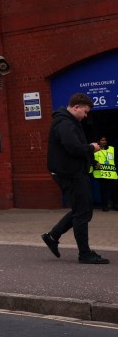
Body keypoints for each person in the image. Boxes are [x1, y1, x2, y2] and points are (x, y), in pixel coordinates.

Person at [42, 93, 109, 264]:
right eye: (85, 112)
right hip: (70, 174)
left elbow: (74, 149)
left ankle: (52, 236)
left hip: (74, 172)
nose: (86, 116)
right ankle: (84, 253)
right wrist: (91, 148)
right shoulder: (65, 123)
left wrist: (91, 161)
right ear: (76, 107)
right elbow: (73, 148)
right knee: (82, 212)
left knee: (81, 210)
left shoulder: (69, 122)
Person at [93, 135, 116, 211]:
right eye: (102, 140)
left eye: (105, 140)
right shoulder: (95, 149)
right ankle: (105, 206)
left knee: (114, 190)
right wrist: (95, 162)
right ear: (98, 141)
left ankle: (115, 205)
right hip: (101, 173)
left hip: (111, 173)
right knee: (103, 190)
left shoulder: (111, 149)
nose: (104, 142)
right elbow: (90, 157)